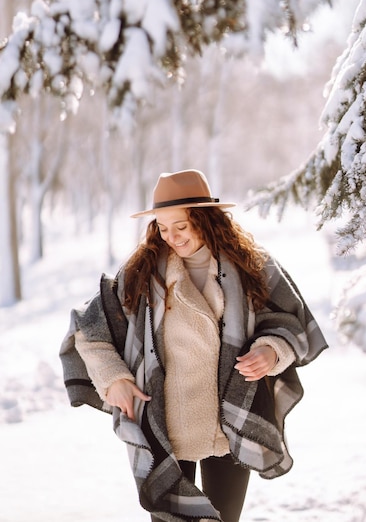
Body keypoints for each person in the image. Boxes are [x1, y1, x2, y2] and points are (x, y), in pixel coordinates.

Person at [60, 169, 327, 522]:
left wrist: (272, 350)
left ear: (205, 218)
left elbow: (288, 320)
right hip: (166, 423)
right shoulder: (142, 271)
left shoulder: (252, 266)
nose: (171, 237)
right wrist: (115, 380)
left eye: (181, 226)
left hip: (230, 420)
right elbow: (89, 328)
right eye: (163, 227)